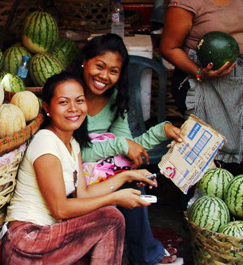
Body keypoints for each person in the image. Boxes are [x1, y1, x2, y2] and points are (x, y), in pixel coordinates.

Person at [1, 71, 158, 264]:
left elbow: (83, 194)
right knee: (112, 218)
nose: (73, 108)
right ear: (47, 108)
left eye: (79, 101)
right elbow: (60, 209)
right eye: (63, 102)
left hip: (47, 240)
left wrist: (127, 176)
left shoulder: (73, 144)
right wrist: (116, 198)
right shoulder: (45, 142)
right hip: (26, 242)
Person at [69, 34, 183, 265]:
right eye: (99, 66)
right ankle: (144, 255)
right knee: (125, 185)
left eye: (113, 71)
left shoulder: (115, 100)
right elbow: (72, 153)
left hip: (97, 175)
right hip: (69, 179)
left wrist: (164, 130)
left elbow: (129, 146)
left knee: (133, 184)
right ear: (84, 61)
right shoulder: (69, 96)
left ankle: (145, 256)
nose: (104, 76)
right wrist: (120, 145)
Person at [160, 0, 243, 173]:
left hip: (239, 79)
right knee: (211, 150)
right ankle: (201, 200)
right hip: (205, 81)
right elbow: (168, 47)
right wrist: (198, 72)